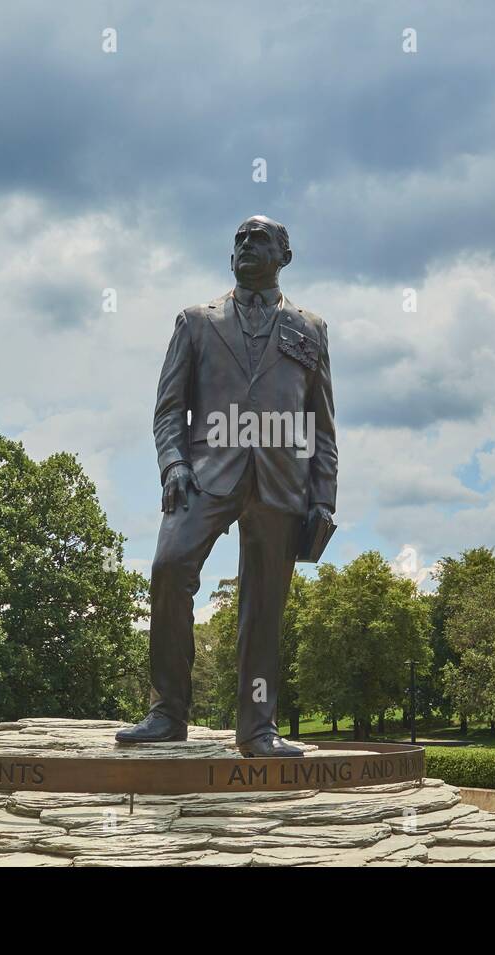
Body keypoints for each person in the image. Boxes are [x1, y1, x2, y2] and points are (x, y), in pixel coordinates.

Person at [116, 216, 337, 757]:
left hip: (281, 481)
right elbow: (169, 409)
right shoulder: (196, 322)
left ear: (284, 254)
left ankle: (257, 730)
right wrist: (172, 465)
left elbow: (322, 424)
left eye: (259, 239)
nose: (245, 246)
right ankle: (167, 712)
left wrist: (323, 499)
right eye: (239, 239)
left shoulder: (310, 328)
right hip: (203, 475)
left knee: (264, 608)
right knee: (169, 568)